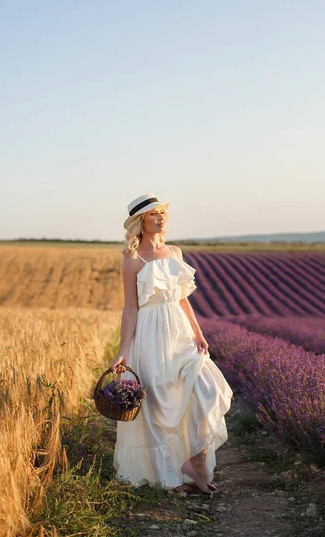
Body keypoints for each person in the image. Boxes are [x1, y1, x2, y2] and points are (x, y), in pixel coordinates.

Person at [111, 193, 233, 495]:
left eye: (162, 212)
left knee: (205, 388)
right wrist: (123, 351)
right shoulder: (132, 260)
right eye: (153, 214)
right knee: (158, 404)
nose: (160, 217)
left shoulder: (174, 252)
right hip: (150, 334)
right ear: (141, 222)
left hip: (179, 330)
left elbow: (181, 298)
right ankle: (170, 475)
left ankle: (195, 460)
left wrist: (197, 330)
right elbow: (130, 309)